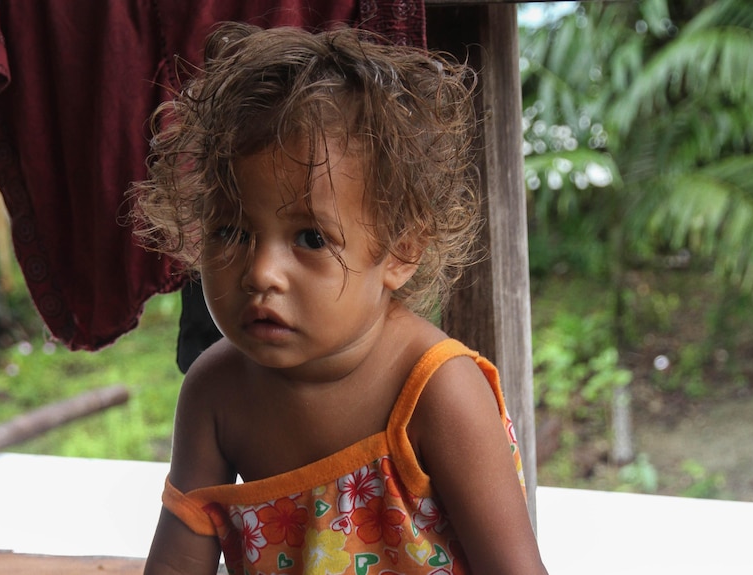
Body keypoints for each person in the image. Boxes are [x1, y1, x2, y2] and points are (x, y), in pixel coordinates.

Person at [130, 22, 548, 575]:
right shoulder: (216, 394)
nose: (261, 274)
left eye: (310, 238)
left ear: (400, 250)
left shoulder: (438, 392)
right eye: (230, 232)